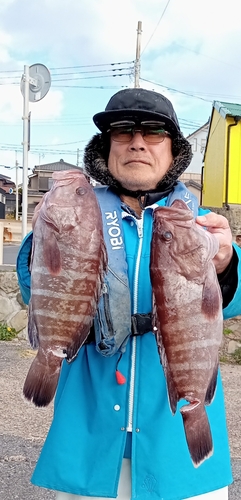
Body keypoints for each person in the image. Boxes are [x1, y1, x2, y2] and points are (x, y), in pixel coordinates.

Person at [16, 88, 241, 500]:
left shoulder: (201, 223)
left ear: (174, 151)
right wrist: (44, 239)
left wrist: (228, 265)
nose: (137, 141)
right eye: (123, 131)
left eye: (154, 131)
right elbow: (36, 293)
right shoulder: (76, 207)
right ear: (107, 147)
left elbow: (230, 302)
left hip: (174, 447)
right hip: (90, 444)